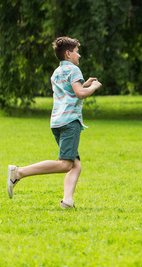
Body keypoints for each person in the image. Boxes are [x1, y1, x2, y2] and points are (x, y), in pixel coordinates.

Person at [7, 37, 102, 209]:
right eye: (76, 52)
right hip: (69, 122)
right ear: (68, 53)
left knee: (76, 166)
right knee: (65, 164)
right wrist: (93, 87)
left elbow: (69, 91)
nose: (79, 55)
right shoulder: (74, 70)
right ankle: (19, 172)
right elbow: (80, 94)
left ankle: (67, 201)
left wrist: (84, 83)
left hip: (57, 122)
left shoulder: (57, 72)